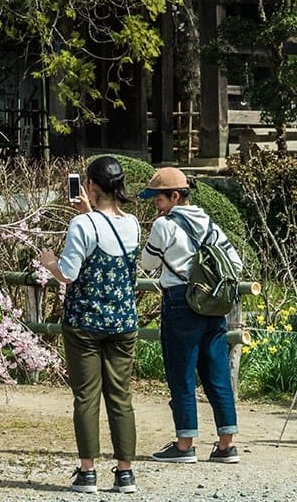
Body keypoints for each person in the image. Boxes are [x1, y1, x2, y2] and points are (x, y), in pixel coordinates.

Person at [38, 155, 140, 495]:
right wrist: (88, 212)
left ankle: (88, 471)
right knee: (121, 396)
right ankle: (125, 472)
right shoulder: (133, 224)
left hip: (84, 321)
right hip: (123, 319)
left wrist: (49, 262)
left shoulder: (83, 225)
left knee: (86, 397)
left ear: (91, 186)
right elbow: (107, 237)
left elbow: (69, 273)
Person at [138, 166, 244, 466]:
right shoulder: (208, 222)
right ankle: (227, 445)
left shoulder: (164, 226)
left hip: (180, 303)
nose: (155, 205)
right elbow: (233, 262)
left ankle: (185, 444)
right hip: (212, 305)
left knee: (181, 372)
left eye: (157, 199)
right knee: (217, 373)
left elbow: (147, 262)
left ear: (174, 196)